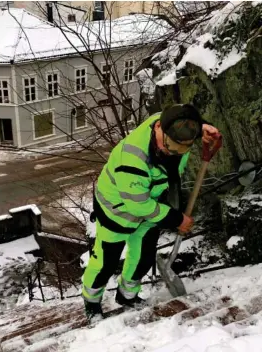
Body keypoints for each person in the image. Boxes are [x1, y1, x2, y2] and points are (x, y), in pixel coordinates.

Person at [82, 104, 220, 321]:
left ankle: (127, 297)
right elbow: (139, 206)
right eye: (169, 146)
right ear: (158, 128)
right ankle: (91, 303)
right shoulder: (133, 160)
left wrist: (202, 127)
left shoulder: (170, 125)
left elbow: (181, 115)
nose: (172, 152)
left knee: (143, 258)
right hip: (116, 214)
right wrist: (177, 219)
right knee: (105, 264)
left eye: (180, 149)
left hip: (151, 208)